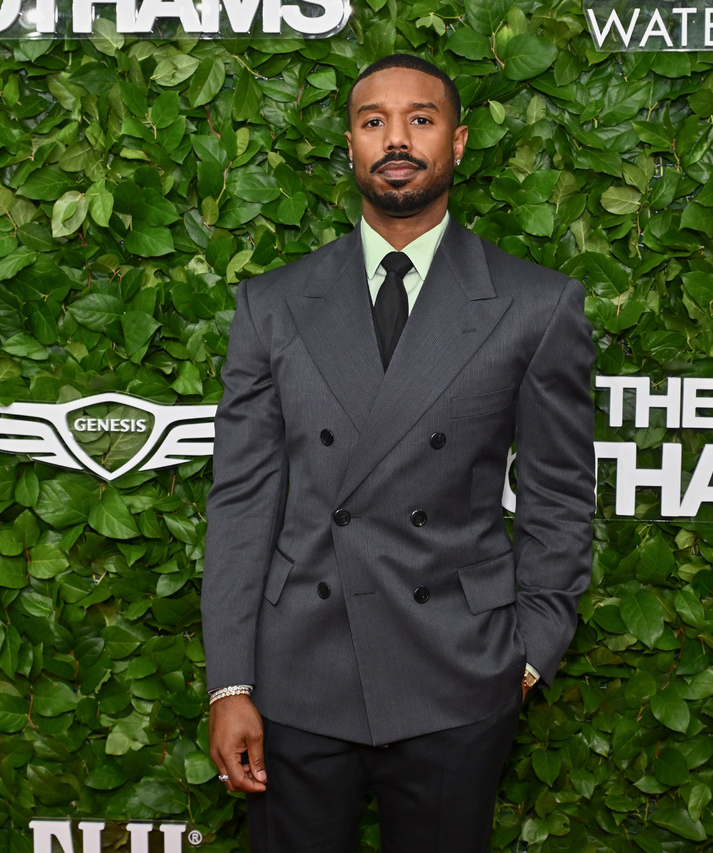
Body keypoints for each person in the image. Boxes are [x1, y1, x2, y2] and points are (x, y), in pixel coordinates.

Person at [200, 53, 595, 853]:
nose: (397, 139)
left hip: (456, 671)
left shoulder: (536, 303)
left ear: (458, 141)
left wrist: (529, 652)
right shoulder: (273, 304)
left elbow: (559, 492)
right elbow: (242, 500)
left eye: (421, 118)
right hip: (298, 674)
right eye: (373, 120)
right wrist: (231, 680)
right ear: (350, 143)